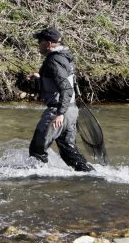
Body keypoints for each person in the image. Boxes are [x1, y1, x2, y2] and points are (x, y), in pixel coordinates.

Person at [26, 27, 94, 172]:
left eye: (40, 41)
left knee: (37, 149)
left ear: (49, 44)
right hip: (71, 110)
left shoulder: (53, 61)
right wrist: (41, 78)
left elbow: (67, 89)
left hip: (58, 111)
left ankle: (36, 181)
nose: (38, 44)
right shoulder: (63, 57)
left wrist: (60, 114)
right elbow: (60, 82)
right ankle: (92, 176)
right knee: (69, 153)